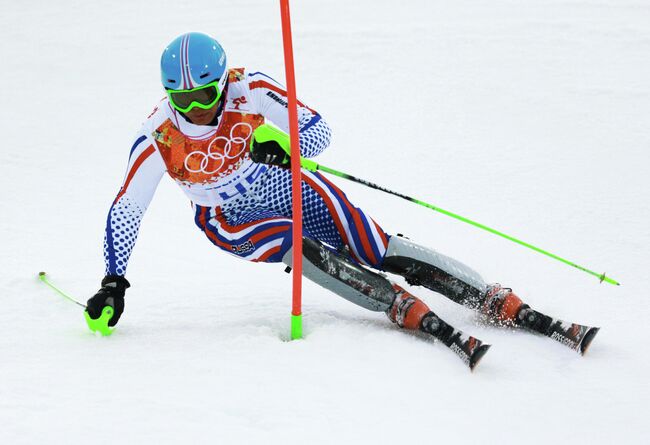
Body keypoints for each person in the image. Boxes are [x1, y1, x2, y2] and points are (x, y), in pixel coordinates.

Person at [86, 32, 597, 369]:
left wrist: (282, 146)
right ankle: (397, 305)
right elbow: (128, 207)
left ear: (222, 84)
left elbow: (317, 129)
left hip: (284, 184)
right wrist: (114, 280)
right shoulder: (158, 135)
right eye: (183, 100)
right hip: (228, 217)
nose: (195, 111)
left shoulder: (251, 89)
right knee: (298, 245)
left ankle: (493, 299)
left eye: (204, 97)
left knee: (378, 246)